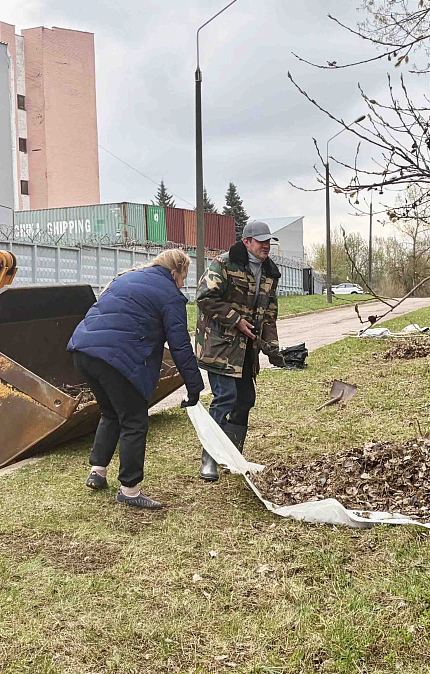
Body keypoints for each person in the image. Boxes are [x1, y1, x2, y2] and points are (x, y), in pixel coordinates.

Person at [66, 248, 204, 509]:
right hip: (116, 356)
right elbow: (180, 345)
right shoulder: (169, 294)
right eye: (183, 278)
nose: (182, 283)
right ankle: (130, 490)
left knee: (111, 412)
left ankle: (98, 471)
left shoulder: (125, 277)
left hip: (83, 349)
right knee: (134, 420)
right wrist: (194, 386)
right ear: (175, 272)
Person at [196, 218, 284, 481]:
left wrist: (273, 349)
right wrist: (236, 320)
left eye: (269, 241)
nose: (266, 246)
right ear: (246, 242)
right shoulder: (224, 263)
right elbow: (204, 298)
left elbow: (269, 313)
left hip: (247, 348)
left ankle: (233, 455)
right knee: (225, 398)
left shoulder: (270, 272)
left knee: (245, 399)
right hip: (220, 345)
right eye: (261, 241)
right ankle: (209, 459)